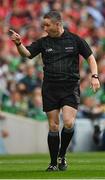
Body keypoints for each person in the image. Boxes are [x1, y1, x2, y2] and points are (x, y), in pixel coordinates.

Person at [9, 11, 100, 171]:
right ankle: (52, 163)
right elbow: (28, 54)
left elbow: (90, 57)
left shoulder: (75, 39)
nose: (44, 28)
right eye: (43, 25)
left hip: (70, 87)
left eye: (47, 25)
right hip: (50, 88)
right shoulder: (43, 42)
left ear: (58, 24)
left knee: (69, 122)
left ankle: (62, 155)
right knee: (53, 126)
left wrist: (94, 76)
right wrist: (18, 44)